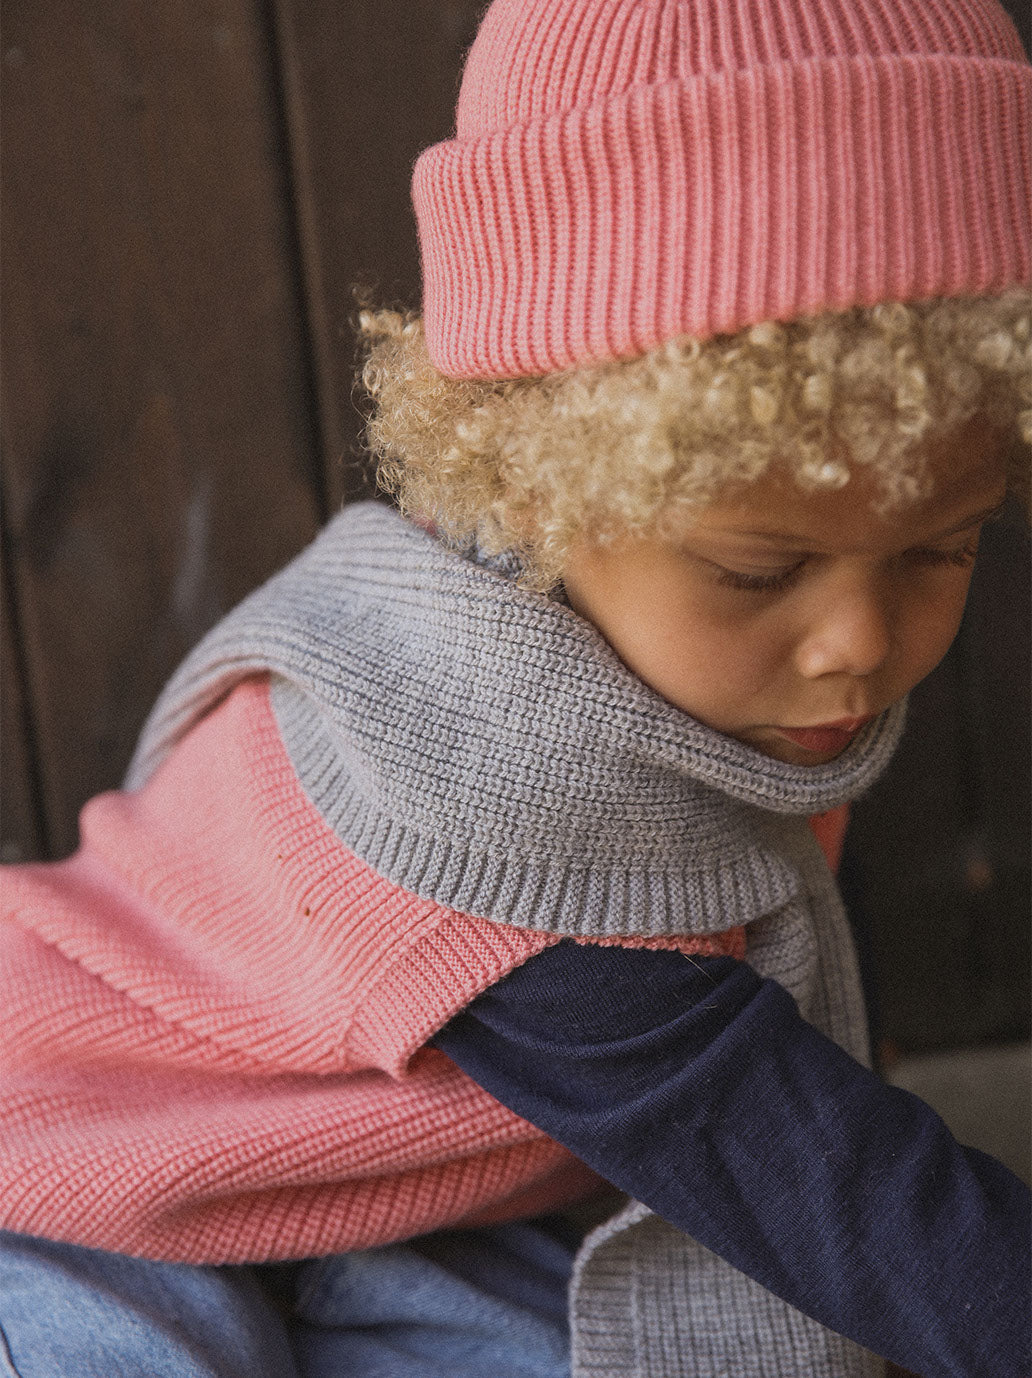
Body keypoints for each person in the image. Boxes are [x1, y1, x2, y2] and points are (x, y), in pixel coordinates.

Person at [1, 0, 1030, 1374]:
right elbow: (823, 1177)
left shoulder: (703, 673)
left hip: (411, 1172)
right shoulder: (494, 799)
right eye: (754, 567)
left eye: (939, 545)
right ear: (539, 490)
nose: (855, 637)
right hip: (82, 1150)